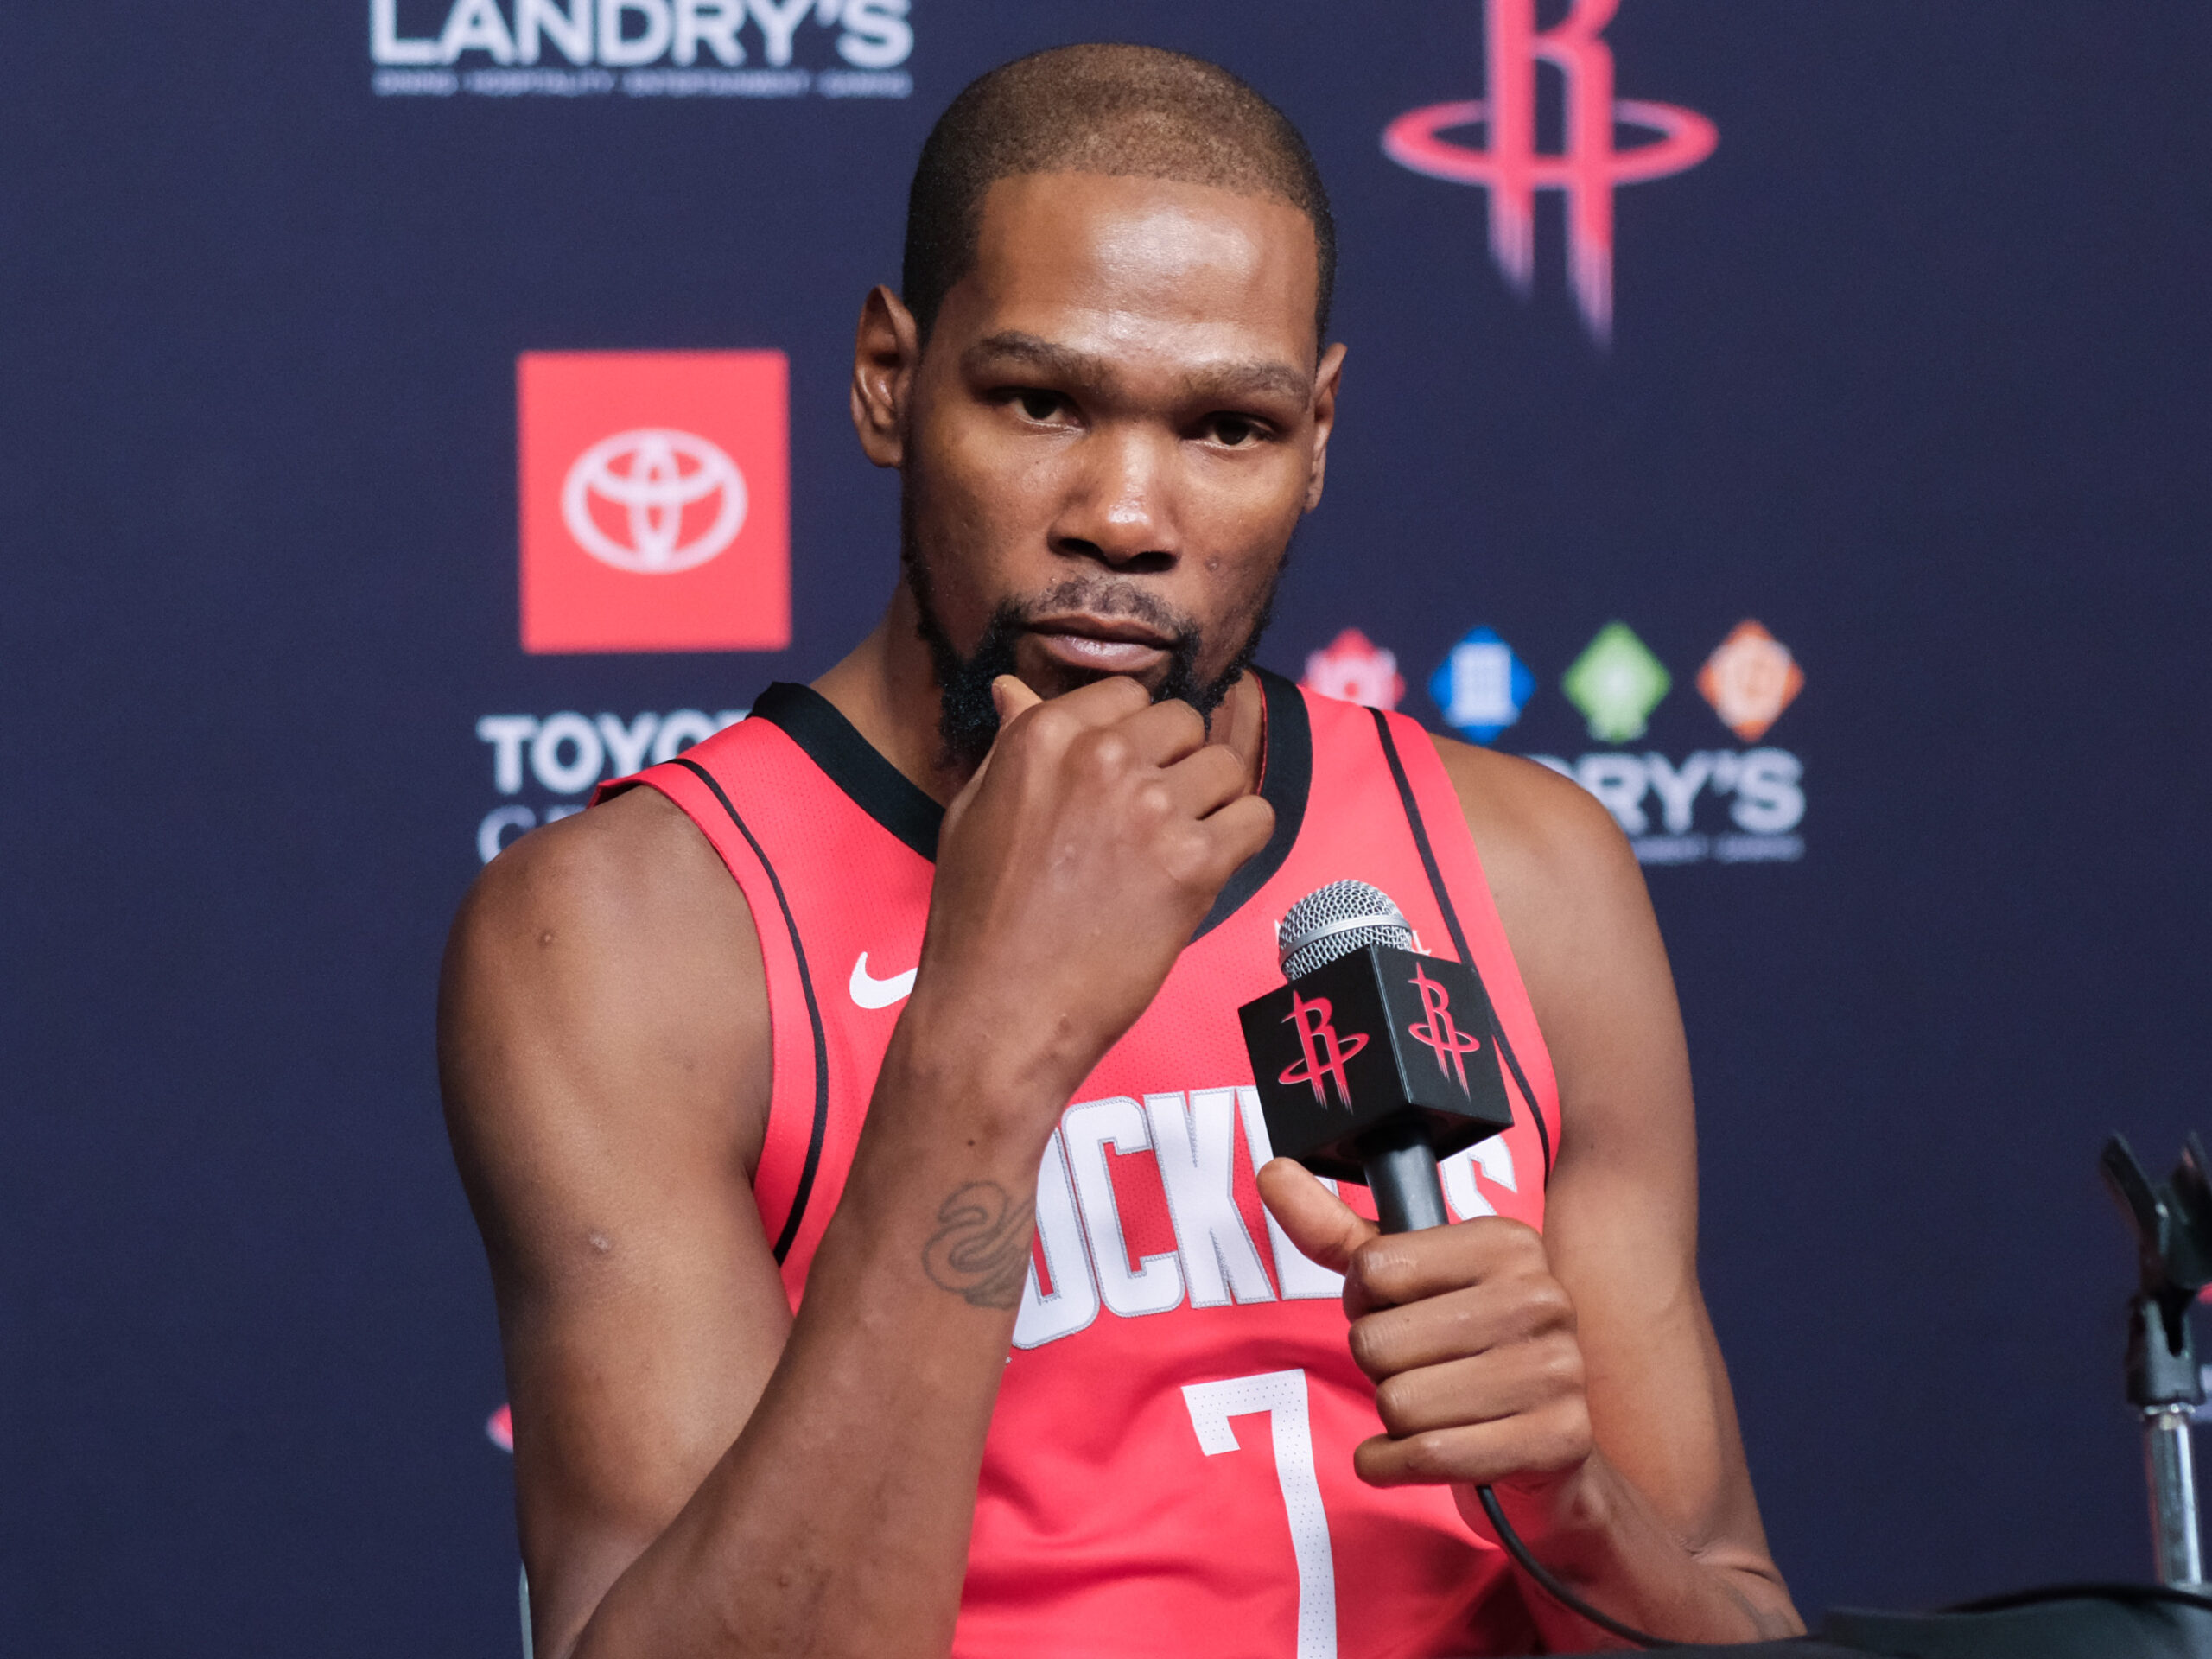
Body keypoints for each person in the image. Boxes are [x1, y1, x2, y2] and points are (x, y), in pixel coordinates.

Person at [439, 43, 1802, 1659]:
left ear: (1317, 438)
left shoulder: (1527, 871)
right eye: (1041, 401)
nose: (1127, 515)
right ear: (889, 379)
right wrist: (985, 1039)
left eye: (1227, 428)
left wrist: (1575, 1506)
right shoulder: (628, 935)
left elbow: (1734, 1617)